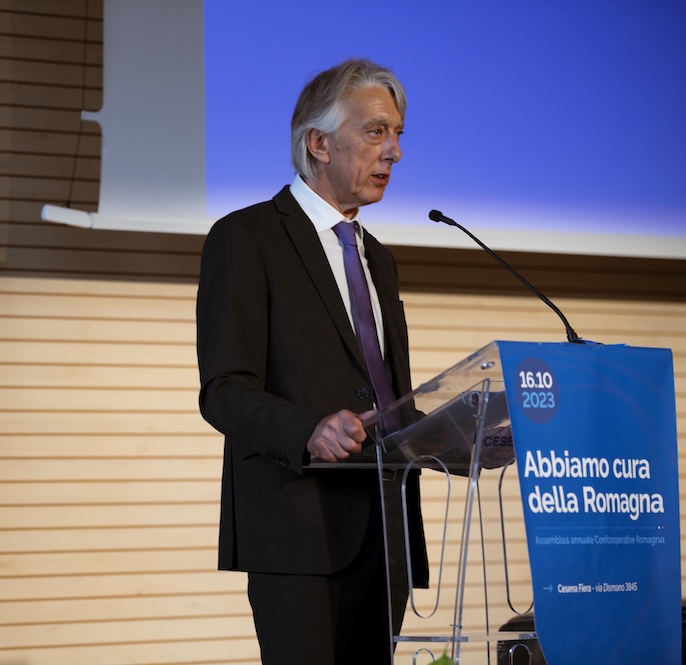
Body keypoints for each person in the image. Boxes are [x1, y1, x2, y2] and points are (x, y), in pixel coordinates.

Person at [196, 58, 428, 664]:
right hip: (297, 531)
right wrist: (309, 431)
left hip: (386, 532)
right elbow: (223, 388)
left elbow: (384, 392)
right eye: (375, 132)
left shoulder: (379, 258)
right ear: (318, 144)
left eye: (397, 134)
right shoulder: (246, 238)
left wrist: (454, 434)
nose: (395, 151)